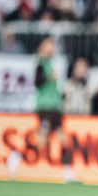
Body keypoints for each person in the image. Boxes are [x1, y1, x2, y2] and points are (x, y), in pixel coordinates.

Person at [33, 36, 75, 182]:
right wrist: (49, 77)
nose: (52, 48)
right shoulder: (41, 64)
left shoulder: (51, 63)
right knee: (41, 141)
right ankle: (16, 157)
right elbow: (37, 82)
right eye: (49, 45)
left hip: (55, 107)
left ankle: (68, 172)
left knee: (64, 139)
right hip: (45, 107)